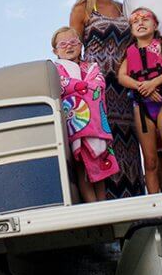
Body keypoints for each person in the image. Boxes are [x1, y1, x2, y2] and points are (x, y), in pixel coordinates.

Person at [69, 0, 143, 199]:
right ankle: (107, 209)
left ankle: (137, 208)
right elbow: (72, 51)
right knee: (101, 147)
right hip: (97, 91)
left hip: (126, 85)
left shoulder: (124, 8)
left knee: (129, 145)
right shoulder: (82, 10)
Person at [51, 26, 119, 203]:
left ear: (81, 45)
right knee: (81, 164)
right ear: (55, 50)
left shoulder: (92, 67)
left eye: (73, 42)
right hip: (75, 125)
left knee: (100, 161)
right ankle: (92, 203)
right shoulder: (55, 70)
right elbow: (64, 85)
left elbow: (98, 86)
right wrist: (82, 88)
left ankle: (102, 202)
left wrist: (78, 88)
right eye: (63, 44)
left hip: (95, 123)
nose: (69, 46)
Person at [116, 7, 162, 194]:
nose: (140, 23)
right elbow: (122, 77)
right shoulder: (130, 52)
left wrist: (154, 83)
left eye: (145, 19)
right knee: (150, 160)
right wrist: (141, 86)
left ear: (155, 24)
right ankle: (156, 203)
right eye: (135, 21)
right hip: (141, 108)